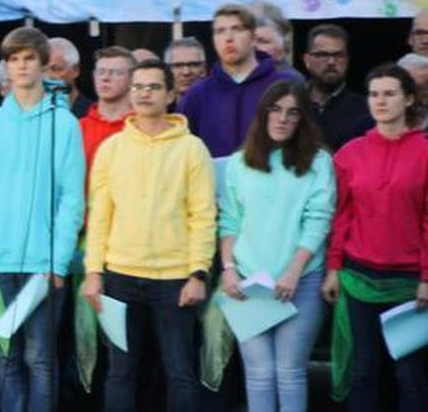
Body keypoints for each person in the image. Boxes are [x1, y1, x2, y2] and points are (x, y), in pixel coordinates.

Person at [82, 58, 216, 411]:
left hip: (174, 279)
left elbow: (202, 216)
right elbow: (100, 216)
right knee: (120, 373)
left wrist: (198, 273)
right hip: (120, 276)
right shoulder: (112, 149)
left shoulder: (192, 149)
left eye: (154, 86)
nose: (144, 94)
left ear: (170, 94)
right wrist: (93, 273)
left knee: (180, 372)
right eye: (138, 86)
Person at [0, 27, 85, 412]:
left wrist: (59, 259)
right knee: (7, 358)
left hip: (42, 263)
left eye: (28, 58)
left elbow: (72, 199)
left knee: (40, 359)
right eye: (13, 60)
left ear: (43, 64)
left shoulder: (63, 124)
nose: (20, 66)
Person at [218, 80, 335, 412]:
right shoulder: (239, 163)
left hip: (301, 280)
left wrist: (293, 272)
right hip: (248, 282)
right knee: (257, 373)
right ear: (264, 113)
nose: (283, 119)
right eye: (276, 110)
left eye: (293, 112)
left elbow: (318, 220)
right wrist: (228, 270)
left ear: (302, 119)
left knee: (289, 371)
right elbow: (229, 222)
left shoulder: (318, 162)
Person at [322, 64, 428, 409]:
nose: (380, 101)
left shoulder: (425, 153)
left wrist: (427, 277)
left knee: (409, 375)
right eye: (374, 94)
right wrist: (334, 267)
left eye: (390, 93)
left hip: (410, 281)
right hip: (359, 279)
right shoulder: (351, 153)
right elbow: (341, 216)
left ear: (409, 99)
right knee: (364, 370)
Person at [179, 4, 304, 157]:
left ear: (253, 37)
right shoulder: (197, 94)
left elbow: (305, 142)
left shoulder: (286, 86)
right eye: (220, 31)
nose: (228, 38)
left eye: (237, 29)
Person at [303, 24, 372, 150]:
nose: (331, 62)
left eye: (338, 55)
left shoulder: (366, 110)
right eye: (322, 55)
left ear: (347, 60)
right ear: (307, 60)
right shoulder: (294, 104)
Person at [79, 47, 136, 175]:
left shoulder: (141, 126)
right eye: (101, 72)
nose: (105, 78)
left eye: (116, 72)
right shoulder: (78, 128)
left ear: (132, 79)